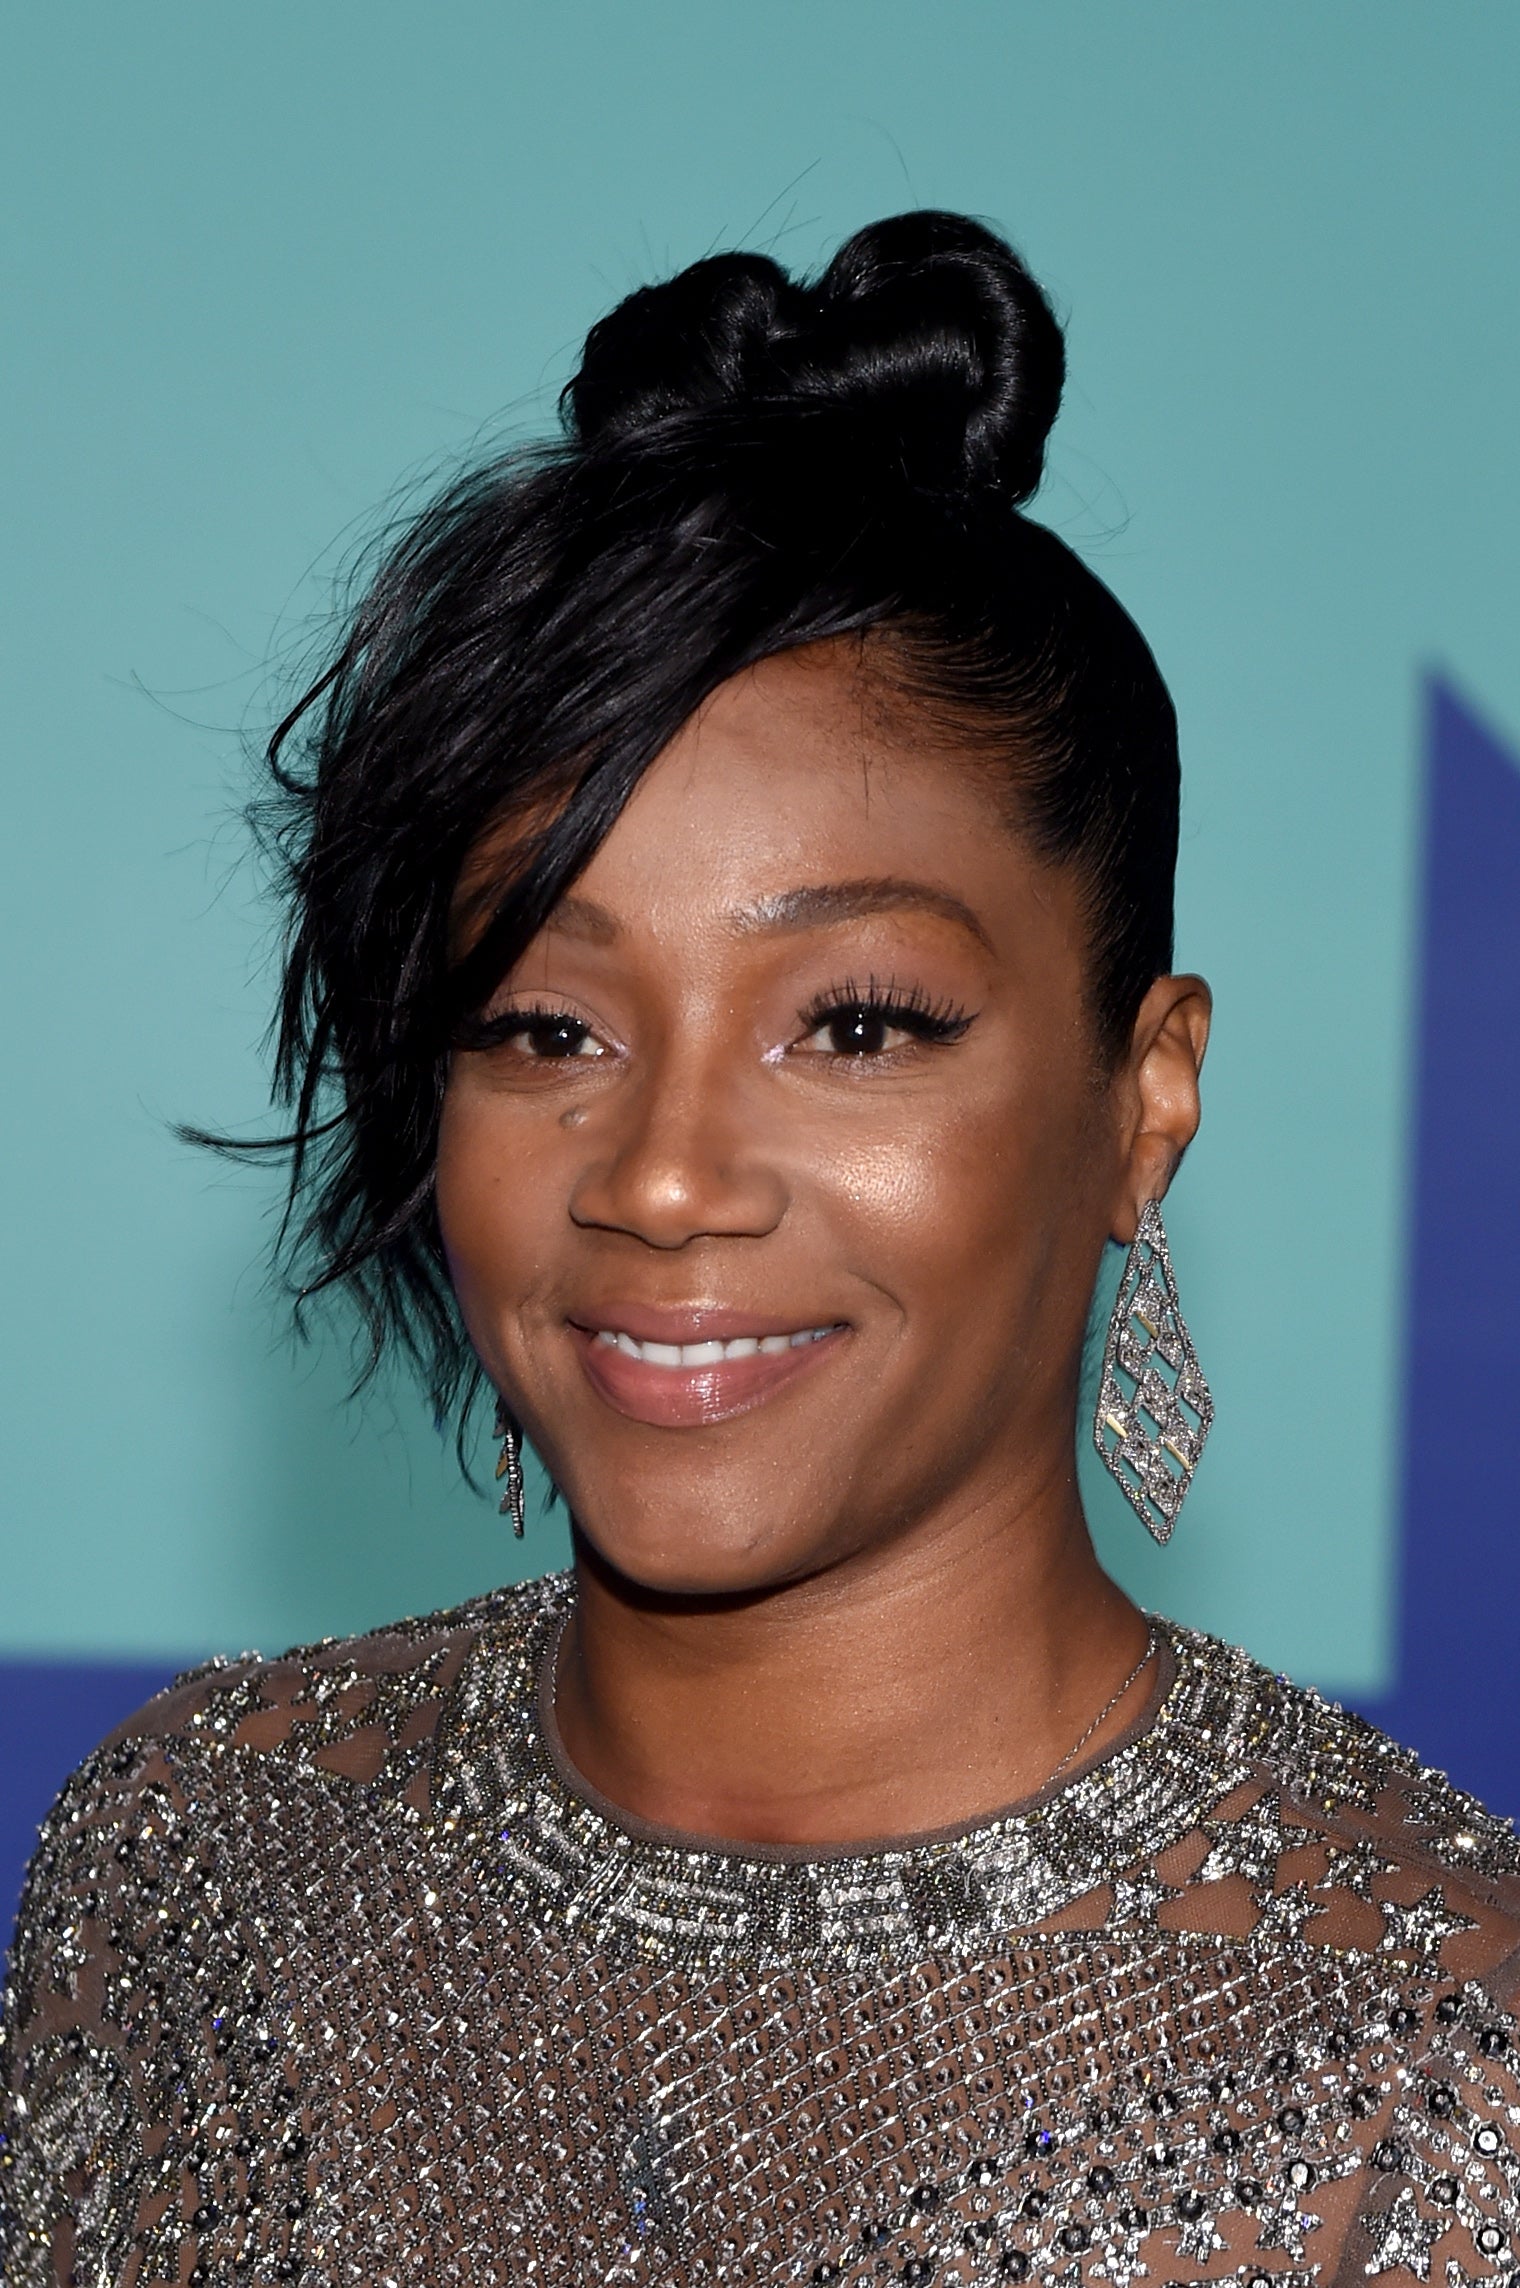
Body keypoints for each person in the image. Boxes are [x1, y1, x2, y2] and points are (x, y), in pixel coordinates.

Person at [3, 211, 1518, 2288]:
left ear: (1142, 1097)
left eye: (856, 1026)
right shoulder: (196, 1860)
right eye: (545, 1027)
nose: (663, 1176)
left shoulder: (1444, 2065)